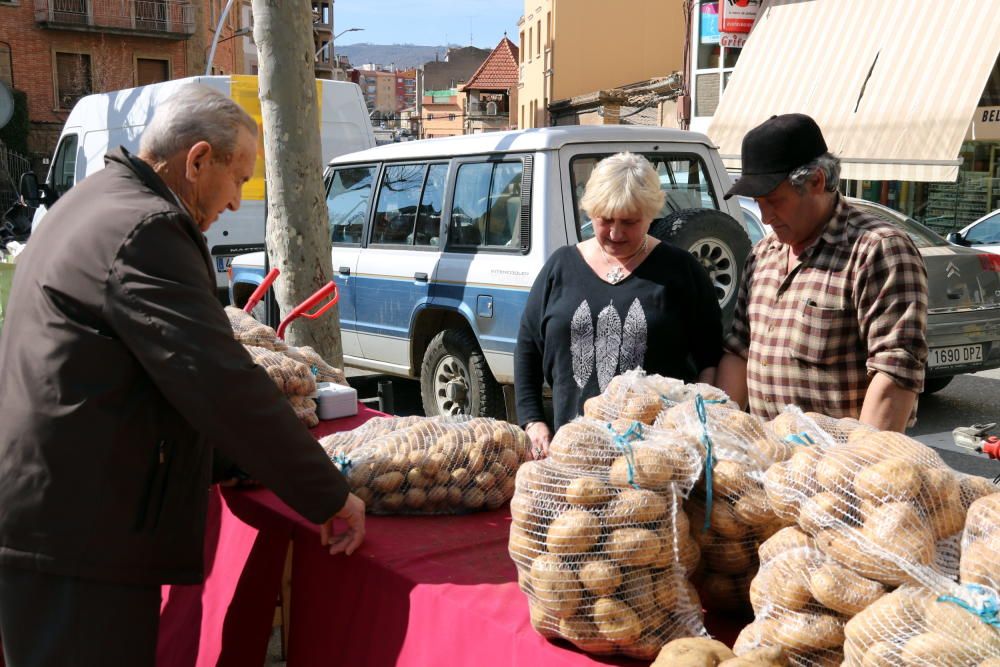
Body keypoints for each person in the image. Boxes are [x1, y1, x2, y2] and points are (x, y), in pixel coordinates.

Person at [0, 84, 365, 666]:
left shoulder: (93, 198)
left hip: (55, 516)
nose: (238, 201)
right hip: (82, 534)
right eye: (238, 178)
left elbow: (140, 374)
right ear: (197, 161)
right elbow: (220, 383)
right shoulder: (148, 230)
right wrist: (327, 494)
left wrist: (231, 462)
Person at [715, 113, 928, 432]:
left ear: (816, 181)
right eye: (758, 202)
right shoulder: (762, 255)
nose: (765, 215)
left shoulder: (878, 250)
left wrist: (857, 466)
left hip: (837, 469)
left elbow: (895, 371)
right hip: (768, 465)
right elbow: (738, 350)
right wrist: (716, 433)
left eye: (774, 200)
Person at [514, 152, 724, 456]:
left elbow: (710, 359)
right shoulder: (560, 266)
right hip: (573, 450)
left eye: (629, 222)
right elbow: (528, 348)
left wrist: (697, 420)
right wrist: (533, 421)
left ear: (651, 214)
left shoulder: (681, 270)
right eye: (605, 220)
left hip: (657, 457)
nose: (615, 233)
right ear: (591, 213)